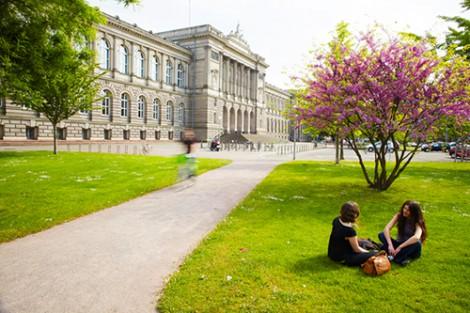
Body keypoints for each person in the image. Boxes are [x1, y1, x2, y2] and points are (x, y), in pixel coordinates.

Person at [378, 200, 427, 266]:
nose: (405, 211)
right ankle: (398, 256)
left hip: (410, 247)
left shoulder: (418, 221)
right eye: (404, 208)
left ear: (414, 212)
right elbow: (386, 229)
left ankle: (394, 256)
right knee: (382, 234)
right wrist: (390, 245)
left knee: (417, 243)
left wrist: (400, 247)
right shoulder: (399, 216)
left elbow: (416, 237)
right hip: (399, 243)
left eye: (408, 210)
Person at [328, 201, 376, 266]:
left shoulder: (336, 220)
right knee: (374, 253)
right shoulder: (350, 231)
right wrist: (369, 253)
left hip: (332, 253)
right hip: (343, 258)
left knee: (363, 242)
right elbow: (357, 249)